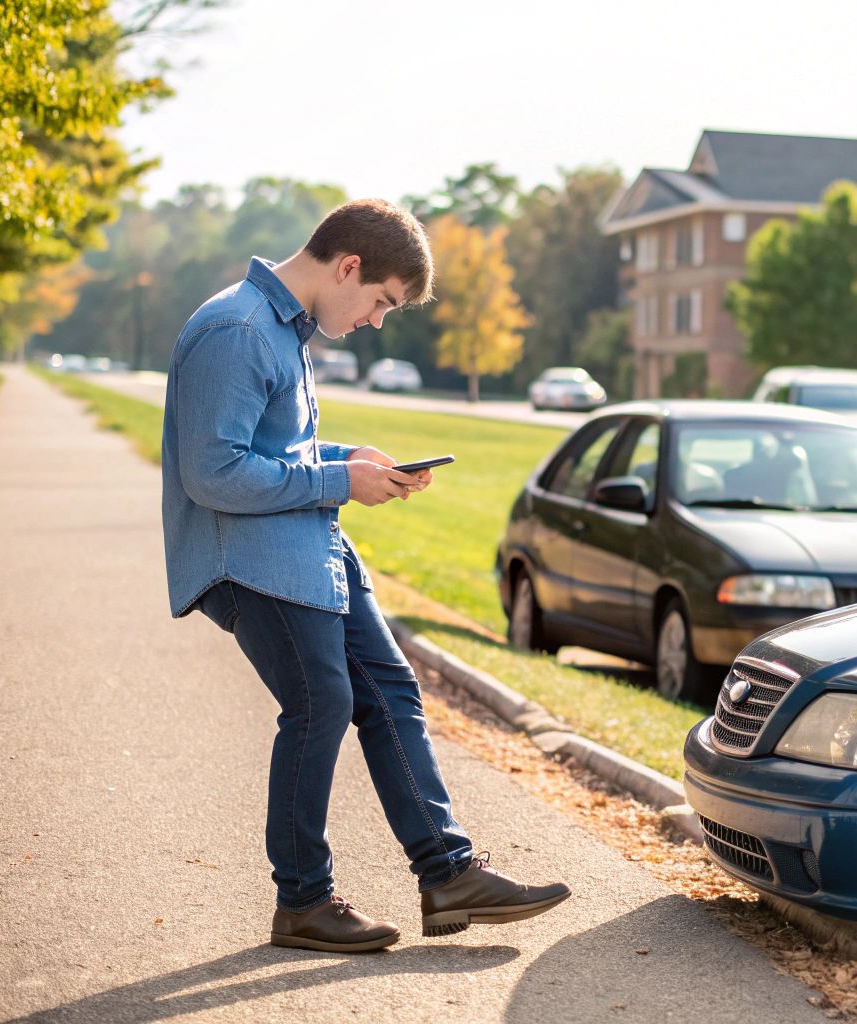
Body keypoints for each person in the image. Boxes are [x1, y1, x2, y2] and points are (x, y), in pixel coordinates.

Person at [161, 199, 569, 953]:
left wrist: (350, 459)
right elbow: (213, 474)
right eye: (381, 301)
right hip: (251, 561)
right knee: (320, 705)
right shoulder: (237, 330)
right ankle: (304, 903)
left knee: (389, 690)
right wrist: (338, 482)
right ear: (347, 266)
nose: (378, 320)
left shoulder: (281, 328)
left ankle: (449, 872)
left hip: (305, 547)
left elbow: (274, 445)